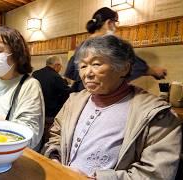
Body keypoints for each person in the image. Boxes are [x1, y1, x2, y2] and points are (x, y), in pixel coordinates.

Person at [43, 35, 181, 179]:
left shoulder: (157, 114)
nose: (87, 74)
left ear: (124, 68)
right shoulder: (74, 101)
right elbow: (56, 136)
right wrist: (54, 159)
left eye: (96, 64)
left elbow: (156, 174)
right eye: (83, 66)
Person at [65, 7, 167, 92]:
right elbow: (132, 66)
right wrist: (152, 70)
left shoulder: (82, 46)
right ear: (109, 23)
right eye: (116, 22)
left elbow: (70, 72)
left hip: (83, 96)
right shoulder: (110, 43)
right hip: (104, 97)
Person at [32, 55, 71, 147]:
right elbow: (67, 94)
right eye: (60, 66)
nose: (60, 69)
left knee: (36, 137)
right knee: (48, 138)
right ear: (56, 65)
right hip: (50, 115)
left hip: (36, 112)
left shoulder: (35, 73)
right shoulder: (56, 77)